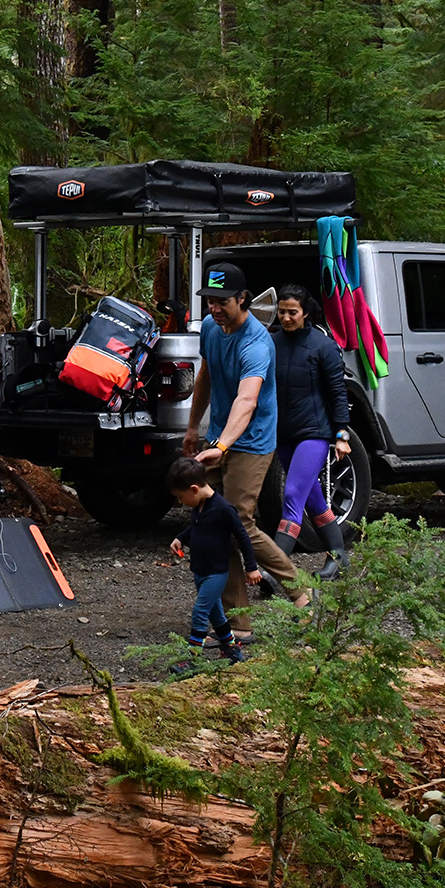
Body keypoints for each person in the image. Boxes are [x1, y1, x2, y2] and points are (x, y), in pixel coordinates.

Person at [182, 259, 298, 630]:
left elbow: (247, 400)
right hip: (219, 435)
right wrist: (193, 427)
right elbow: (206, 376)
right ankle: (238, 623)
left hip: (252, 440)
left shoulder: (257, 344)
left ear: (243, 298)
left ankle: (301, 590)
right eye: (210, 301)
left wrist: (223, 445)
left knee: (238, 522)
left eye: (223, 301)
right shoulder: (210, 329)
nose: (215, 308)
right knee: (212, 521)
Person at [270, 283, 352, 579]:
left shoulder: (322, 346)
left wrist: (341, 435)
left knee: (293, 495)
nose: (286, 318)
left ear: (305, 312)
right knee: (313, 497)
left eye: (292, 312)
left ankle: (276, 570)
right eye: (282, 312)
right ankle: (339, 558)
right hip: (283, 435)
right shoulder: (271, 343)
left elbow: (338, 393)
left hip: (314, 433)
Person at [166, 455, 259, 662]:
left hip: (216, 573)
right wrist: (181, 538)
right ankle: (233, 651)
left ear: (194, 489)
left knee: (200, 611)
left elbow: (243, 537)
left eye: (181, 497)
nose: (181, 502)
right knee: (216, 615)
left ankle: (193, 659)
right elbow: (197, 527)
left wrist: (251, 567)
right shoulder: (200, 507)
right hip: (200, 570)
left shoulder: (223, 509)